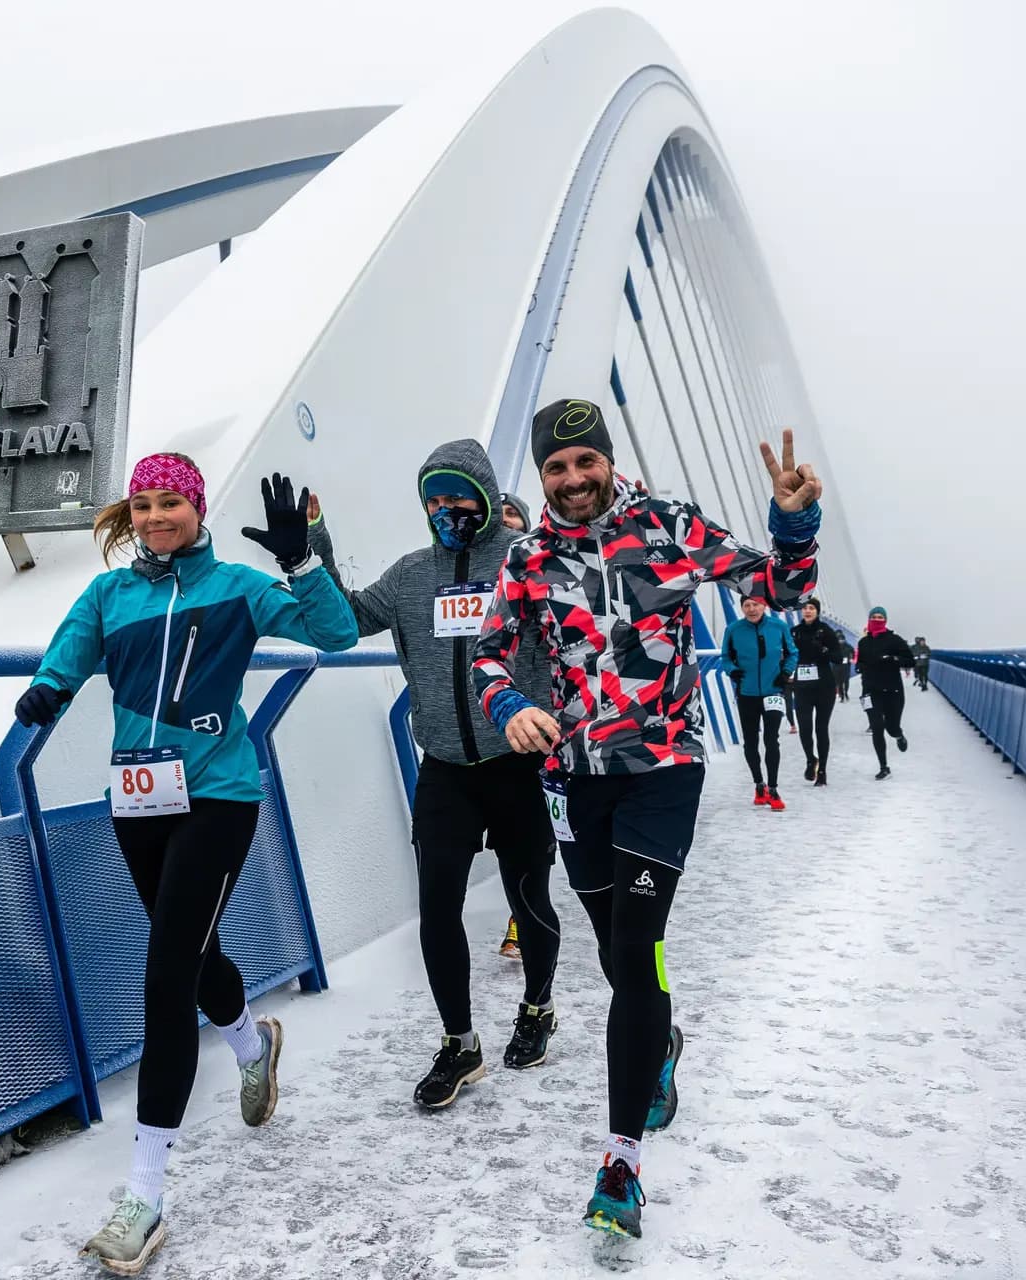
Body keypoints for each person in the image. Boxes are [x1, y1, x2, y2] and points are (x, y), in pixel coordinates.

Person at [472, 399, 822, 1238]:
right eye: (556, 468)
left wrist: (794, 523)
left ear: (606, 460)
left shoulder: (669, 526)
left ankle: (621, 1161)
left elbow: (772, 588)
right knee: (615, 949)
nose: (572, 479)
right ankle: (658, 1043)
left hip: (663, 767)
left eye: (583, 462)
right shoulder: (526, 557)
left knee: (637, 945)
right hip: (574, 776)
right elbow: (485, 653)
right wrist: (511, 701)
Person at [16, 454, 357, 1274]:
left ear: (197, 508)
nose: (155, 515)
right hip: (137, 800)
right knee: (191, 956)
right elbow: (70, 649)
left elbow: (334, 635)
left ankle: (144, 1195)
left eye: (170, 501)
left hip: (219, 796)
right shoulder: (111, 594)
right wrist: (48, 690)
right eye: (142, 503)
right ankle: (252, 1045)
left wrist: (301, 558)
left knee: (166, 975)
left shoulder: (237, 586)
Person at [306, 443, 563, 1109]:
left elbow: (577, 627)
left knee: (529, 896)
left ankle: (537, 1007)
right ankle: (460, 1043)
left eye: (457, 496)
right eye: (434, 498)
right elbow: (344, 625)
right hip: (445, 768)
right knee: (438, 906)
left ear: (483, 494)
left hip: (518, 761)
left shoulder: (524, 558)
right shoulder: (413, 573)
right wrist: (311, 554)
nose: (445, 509)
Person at [720, 593, 797, 810]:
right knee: (751, 741)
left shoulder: (778, 627)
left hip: (773, 691)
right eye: (747, 605)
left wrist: (786, 672)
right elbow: (725, 657)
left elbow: (793, 653)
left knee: (772, 740)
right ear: (742, 608)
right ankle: (759, 785)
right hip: (747, 692)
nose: (751, 609)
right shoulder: (733, 630)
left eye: (755, 605)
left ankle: (773, 788)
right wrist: (732, 671)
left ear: (764, 606)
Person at [498, 491, 533, 959]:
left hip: (548, 729)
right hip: (500, 730)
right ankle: (519, 921)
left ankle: (523, 921)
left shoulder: (545, 571)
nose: (506, 523)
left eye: (514, 515)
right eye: (499, 513)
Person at [854, 605, 915, 780]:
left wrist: (893, 659)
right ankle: (884, 766)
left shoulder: (894, 640)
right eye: (875, 616)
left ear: (886, 620)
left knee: (891, 727)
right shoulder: (863, 643)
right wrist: (861, 668)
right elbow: (859, 663)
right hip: (871, 691)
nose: (877, 619)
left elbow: (910, 661)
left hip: (893, 691)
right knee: (877, 727)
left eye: (881, 617)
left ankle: (899, 735)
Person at [790, 599, 845, 786]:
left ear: (817, 611)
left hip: (824, 687)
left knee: (821, 729)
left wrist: (824, 650)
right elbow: (786, 654)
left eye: (811, 608)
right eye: (805, 608)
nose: (807, 611)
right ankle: (810, 760)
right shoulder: (794, 632)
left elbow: (838, 658)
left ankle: (822, 772)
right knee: (805, 728)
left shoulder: (826, 631)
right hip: (802, 687)